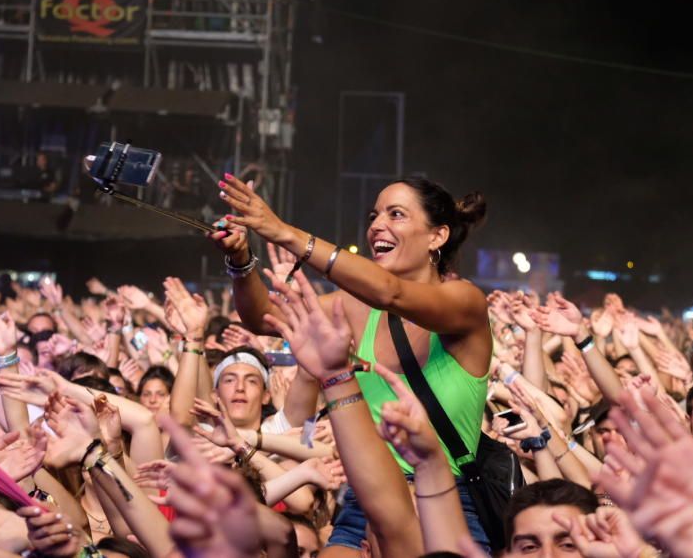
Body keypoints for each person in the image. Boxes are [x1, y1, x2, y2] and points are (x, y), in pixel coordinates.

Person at [211, 174, 493, 553]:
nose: (377, 224)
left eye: (396, 215)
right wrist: (240, 260)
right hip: (365, 501)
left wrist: (285, 233)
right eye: (375, 215)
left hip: (447, 500)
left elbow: (390, 292)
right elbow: (263, 318)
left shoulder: (465, 300)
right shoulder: (357, 308)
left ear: (437, 236)